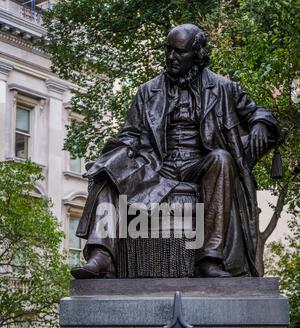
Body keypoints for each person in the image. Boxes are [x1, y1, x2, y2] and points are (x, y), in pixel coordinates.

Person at [71, 23, 281, 279]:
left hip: (200, 165)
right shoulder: (148, 91)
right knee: (109, 170)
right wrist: (120, 156)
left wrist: (260, 124)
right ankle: (101, 255)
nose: (171, 57)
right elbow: (130, 134)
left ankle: (210, 259)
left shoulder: (223, 88)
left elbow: (259, 112)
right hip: (158, 166)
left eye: (179, 52)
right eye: (168, 50)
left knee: (222, 158)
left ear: (197, 54)